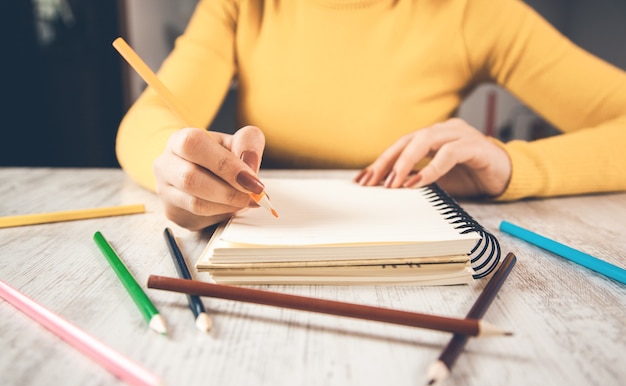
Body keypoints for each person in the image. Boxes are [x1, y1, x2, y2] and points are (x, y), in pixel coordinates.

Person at [116, 0, 626, 231]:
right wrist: (181, 164)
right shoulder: (239, 5)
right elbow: (149, 121)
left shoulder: (479, 11)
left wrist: (515, 167)